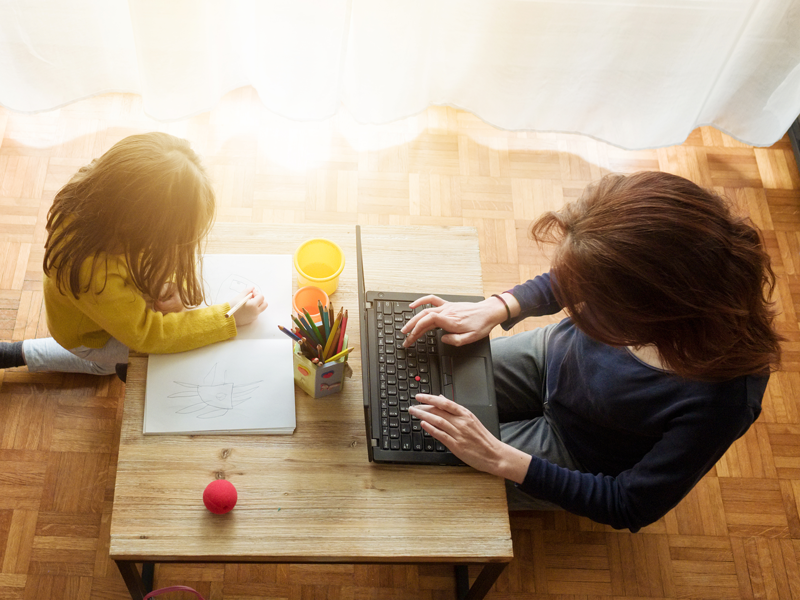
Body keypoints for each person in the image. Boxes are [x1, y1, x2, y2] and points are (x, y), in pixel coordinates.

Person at [401, 171, 782, 532]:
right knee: (418, 382)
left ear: (656, 309)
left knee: (426, 462)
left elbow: (629, 505)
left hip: (578, 451)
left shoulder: (724, 401)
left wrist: (500, 458)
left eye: (602, 304)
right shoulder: (662, 270)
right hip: (549, 359)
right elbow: (586, 271)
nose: (582, 306)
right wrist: (501, 305)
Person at [0, 132, 267, 380]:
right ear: (144, 230)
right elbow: (149, 336)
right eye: (175, 240)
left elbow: (136, 266)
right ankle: (24, 355)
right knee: (107, 365)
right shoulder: (95, 273)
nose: (180, 248)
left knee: (110, 361)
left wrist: (164, 283)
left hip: (93, 309)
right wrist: (228, 318)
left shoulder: (99, 194)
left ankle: (16, 353)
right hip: (87, 336)